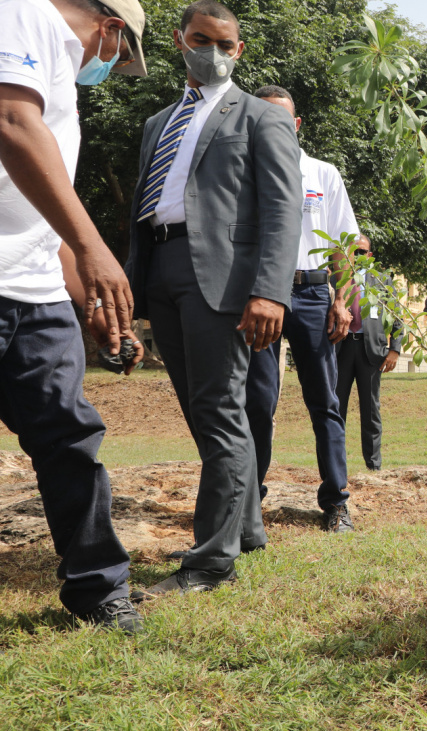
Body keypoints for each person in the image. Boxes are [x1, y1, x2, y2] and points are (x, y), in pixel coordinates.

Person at [125, 0, 302, 597]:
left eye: (227, 45)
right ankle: (244, 527)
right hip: (162, 269)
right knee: (203, 411)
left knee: (222, 411)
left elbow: (283, 210)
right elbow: (143, 209)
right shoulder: (156, 124)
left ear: (239, 50)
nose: (216, 53)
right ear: (180, 41)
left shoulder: (259, 117)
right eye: (203, 40)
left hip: (223, 279)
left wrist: (270, 291)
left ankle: (210, 561)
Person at [0, 0, 149, 632]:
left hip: (33, 290)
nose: (106, 67)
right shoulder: (23, 13)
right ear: (111, 30)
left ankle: (100, 593)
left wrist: (89, 298)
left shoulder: (61, 78)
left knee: (69, 438)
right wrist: (95, 248)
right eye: (115, 59)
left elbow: (42, 212)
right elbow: (9, 120)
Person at [243, 84, 356, 533]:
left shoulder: (323, 174)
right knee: (257, 402)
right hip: (260, 297)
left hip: (311, 296)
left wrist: (343, 302)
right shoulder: (242, 173)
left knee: (325, 402)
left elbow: (344, 244)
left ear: (296, 125)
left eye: (281, 120)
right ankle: (249, 500)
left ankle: (336, 503)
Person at [336, 234, 403, 470]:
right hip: (341, 350)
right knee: (336, 409)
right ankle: (335, 467)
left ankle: (373, 466)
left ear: (370, 255)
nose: (358, 256)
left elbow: (396, 316)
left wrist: (394, 349)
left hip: (371, 352)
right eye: (354, 251)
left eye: (362, 252)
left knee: (371, 411)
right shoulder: (337, 278)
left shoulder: (382, 280)